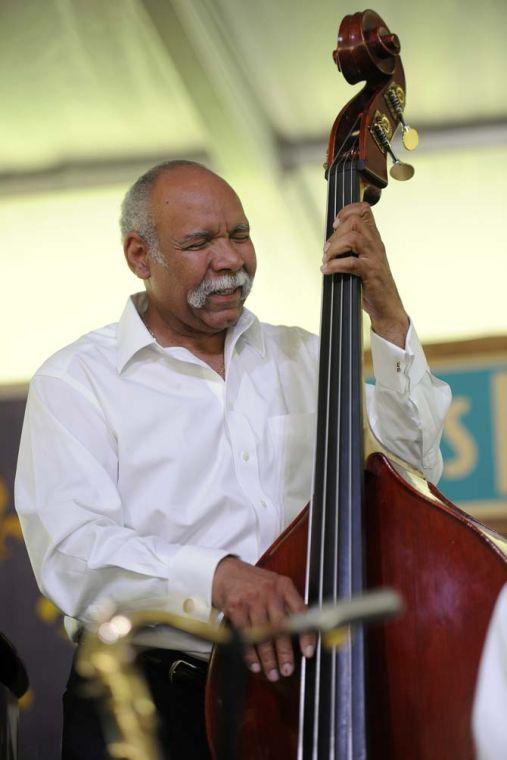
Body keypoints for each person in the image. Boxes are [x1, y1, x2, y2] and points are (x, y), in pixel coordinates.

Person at [15, 159, 451, 759]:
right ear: (140, 256)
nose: (230, 260)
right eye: (199, 243)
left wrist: (389, 316)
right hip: (150, 701)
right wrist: (218, 578)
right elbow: (73, 552)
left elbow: (417, 466)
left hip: (302, 693)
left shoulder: (306, 356)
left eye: (239, 235)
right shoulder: (76, 381)